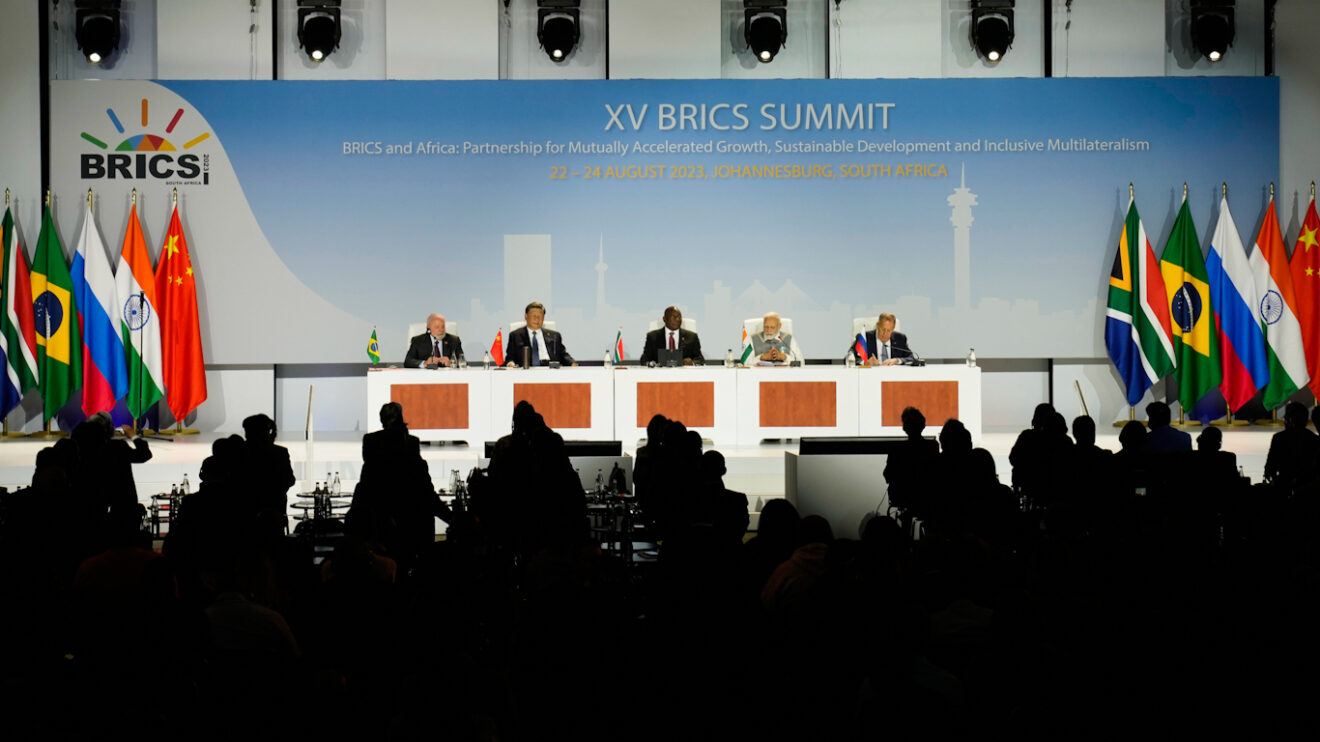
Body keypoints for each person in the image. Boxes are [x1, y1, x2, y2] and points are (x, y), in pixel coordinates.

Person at [505, 301, 575, 367]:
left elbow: (563, 355)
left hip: (551, 370)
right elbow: (510, 358)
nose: (537, 319)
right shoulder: (515, 336)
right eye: (534, 316)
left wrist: (572, 363)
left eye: (540, 317)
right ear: (526, 316)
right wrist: (511, 364)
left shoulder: (555, 335)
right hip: (526, 371)